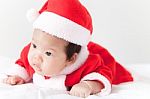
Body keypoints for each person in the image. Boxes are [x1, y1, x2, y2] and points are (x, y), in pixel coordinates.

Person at [1, 0, 133, 98]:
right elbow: (23, 61)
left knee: (111, 68)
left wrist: (89, 85)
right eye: (34, 45)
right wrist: (19, 75)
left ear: (70, 59)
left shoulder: (85, 64)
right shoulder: (33, 54)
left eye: (48, 53)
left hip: (99, 57)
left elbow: (103, 73)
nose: (36, 57)